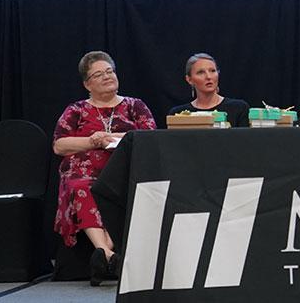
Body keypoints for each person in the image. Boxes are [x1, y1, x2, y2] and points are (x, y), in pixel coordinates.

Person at [52, 51, 155, 286]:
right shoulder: (76, 110)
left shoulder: (134, 106)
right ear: (87, 84)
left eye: (110, 71)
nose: (107, 76)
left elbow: (149, 138)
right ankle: (108, 254)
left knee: (109, 186)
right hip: (84, 174)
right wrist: (92, 140)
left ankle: (103, 256)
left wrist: (111, 137)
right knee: (81, 186)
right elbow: (59, 145)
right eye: (99, 74)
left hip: (125, 172)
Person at [167, 53, 250, 127]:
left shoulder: (239, 108)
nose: (208, 77)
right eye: (201, 72)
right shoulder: (177, 114)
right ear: (189, 79)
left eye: (212, 71)